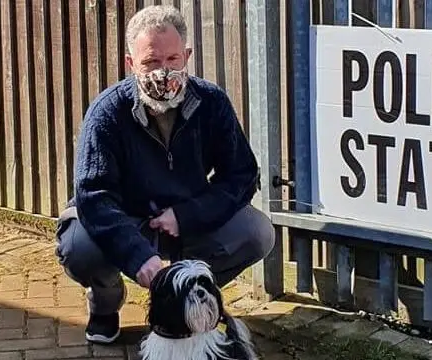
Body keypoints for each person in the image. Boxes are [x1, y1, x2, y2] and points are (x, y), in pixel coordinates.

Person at [55, 5, 275, 345]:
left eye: (173, 60)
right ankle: (104, 304)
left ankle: (184, 298)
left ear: (186, 55)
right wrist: (136, 254)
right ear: (131, 64)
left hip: (184, 220)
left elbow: (242, 175)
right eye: (151, 62)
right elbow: (93, 196)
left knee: (257, 232)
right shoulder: (106, 114)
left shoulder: (212, 102)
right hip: (126, 220)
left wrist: (186, 216)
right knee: (78, 246)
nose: (164, 72)